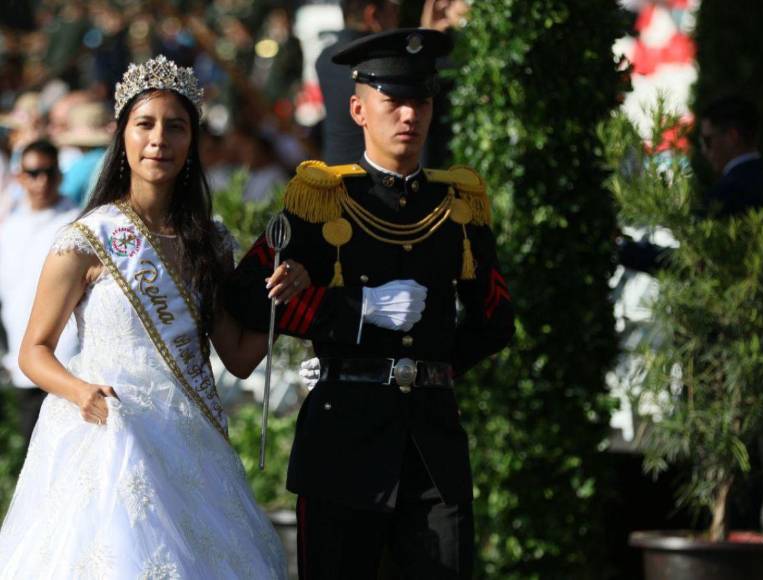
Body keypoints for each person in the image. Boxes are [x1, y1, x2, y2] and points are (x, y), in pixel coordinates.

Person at [0, 55, 310, 578]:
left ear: (192, 142)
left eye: (175, 126)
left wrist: (284, 298)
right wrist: (80, 392)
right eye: (144, 124)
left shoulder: (210, 243)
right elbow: (33, 350)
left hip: (189, 448)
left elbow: (236, 356)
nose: (158, 139)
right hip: (106, 440)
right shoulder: (86, 240)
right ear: (122, 136)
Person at [226, 29, 515, 579]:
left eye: (421, 100)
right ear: (359, 109)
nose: (410, 115)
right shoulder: (320, 198)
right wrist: (352, 312)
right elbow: (247, 296)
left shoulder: (457, 203)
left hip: (432, 443)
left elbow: (496, 319)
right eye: (394, 101)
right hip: (343, 439)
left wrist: (434, 366)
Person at [618, 94, 763, 273]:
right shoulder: (762, 176)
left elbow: (696, 265)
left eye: (707, 140)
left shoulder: (729, 192)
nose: (704, 150)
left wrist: (624, 251)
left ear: (732, 137)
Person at [0, 139, 79, 448]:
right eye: (33, 173)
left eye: (48, 172)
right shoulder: (10, 229)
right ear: (20, 177)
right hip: (23, 359)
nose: (41, 180)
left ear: (59, 175)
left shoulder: (75, 223)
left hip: (67, 359)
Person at [315, 0, 400, 165]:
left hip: (335, 174)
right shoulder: (380, 63)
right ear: (372, 15)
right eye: (394, 11)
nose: (397, 20)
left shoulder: (325, 57)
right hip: (373, 179)